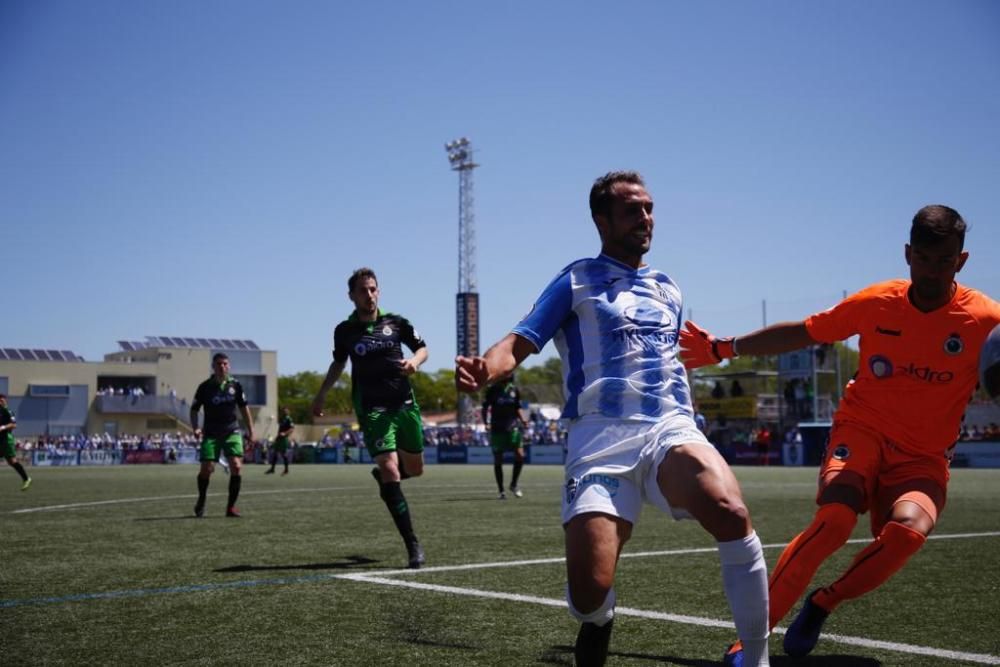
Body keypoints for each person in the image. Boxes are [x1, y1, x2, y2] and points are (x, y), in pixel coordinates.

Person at [455, 171, 770, 667]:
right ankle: (598, 621)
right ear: (601, 220)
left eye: (648, 208)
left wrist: (714, 350)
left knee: (731, 511)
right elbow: (519, 341)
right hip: (599, 438)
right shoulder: (576, 279)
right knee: (588, 593)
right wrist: (485, 370)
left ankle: (756, 658)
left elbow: (675, 354)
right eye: (632, 210)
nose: (645, 219)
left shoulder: (669, 287)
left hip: (671, 427)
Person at [681, 204, 1000, 660]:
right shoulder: (876, 303)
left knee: (908, 532)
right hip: (862, 431)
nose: (932, 272)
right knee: (834, 522)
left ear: (961, 261)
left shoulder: (987, 321)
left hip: (923, 458)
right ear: (908, 254)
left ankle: (822, 602)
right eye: (924, 260)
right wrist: (723, 347)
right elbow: (807, 332)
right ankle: (751, 642)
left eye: (944, 262)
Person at [312, 267, 429, 569]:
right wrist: (322, 393)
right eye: (363, 290)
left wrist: (415, 362)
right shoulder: (344, 331)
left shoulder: (397, 323)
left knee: (414, 470)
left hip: (405, 404)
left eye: (373, 289)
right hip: (373, 409)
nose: (370, 295)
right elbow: (338, 363)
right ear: (352, 296)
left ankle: (387, 480)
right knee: (390, 468)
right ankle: (412, 545)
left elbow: (422, 348)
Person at [190, 353, 255, 518]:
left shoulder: (236, 385)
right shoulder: (204, 387)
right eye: (219, 364)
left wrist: (251, 431)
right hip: (211, 432)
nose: (222, 366)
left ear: (229, 366)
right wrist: (196, 428)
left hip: (231, 430)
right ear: (213, 366)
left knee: (236, 466)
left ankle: (231, 507)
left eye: (225, 364)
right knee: (207, 469)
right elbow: (194, 409)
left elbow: (244, 408)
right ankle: (202, 499)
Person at [482, 372, 529, 499]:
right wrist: (485, 422)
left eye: (509, 373)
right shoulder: (492, 390)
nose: (507, 375)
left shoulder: (514, 389)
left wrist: (524, 419)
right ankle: (501, 490)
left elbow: (517, 407)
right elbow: (485, 407)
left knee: (520, 455)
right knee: (498, 459)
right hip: (497, 428)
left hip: (513, 427)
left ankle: (514, 484)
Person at [0, 394, 31, 490]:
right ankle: (26, 479)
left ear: (5, 401)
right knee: (11, 462)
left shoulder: (8, 412)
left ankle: (26, 479)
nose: (0, 402)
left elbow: (14, 425)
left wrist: (3, 427)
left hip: (6, 439)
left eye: (2, 400)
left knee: (12, 461)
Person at [266, 407, 294, 475]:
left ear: (288, 412)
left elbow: (292, 429)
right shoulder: (282, 419)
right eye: (283, 411)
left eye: (286, 411)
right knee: (275, 453)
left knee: (283, 454)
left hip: (283, 439)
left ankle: (286, 470)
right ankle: (272, 469)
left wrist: (285, 433)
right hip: (279, 438)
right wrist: (277, 437)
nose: (284, 412)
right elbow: (280, 430)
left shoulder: (289, 419)